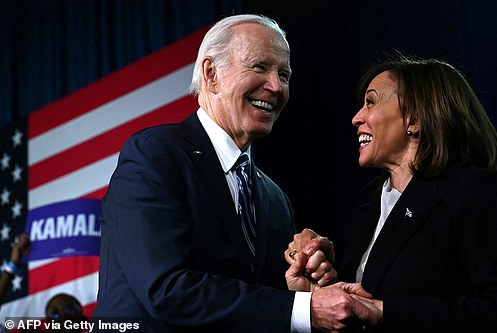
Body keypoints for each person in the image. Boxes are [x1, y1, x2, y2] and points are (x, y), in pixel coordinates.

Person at [92, 13, 375, 332]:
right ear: (211, 73)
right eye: (260, 67)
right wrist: (303, 309)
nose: (276, 86)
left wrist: (300, 290)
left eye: (284, 74)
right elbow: (165, 289)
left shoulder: (274, 198)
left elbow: (257, 306)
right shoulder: (156, 154)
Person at [286, 55, 497, 332]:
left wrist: (386, 311)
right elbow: (360, 312)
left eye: (370, 102)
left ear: (414, 119)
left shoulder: (470, 192)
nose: (356, 118)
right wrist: (318, 294)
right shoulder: (365, 217)